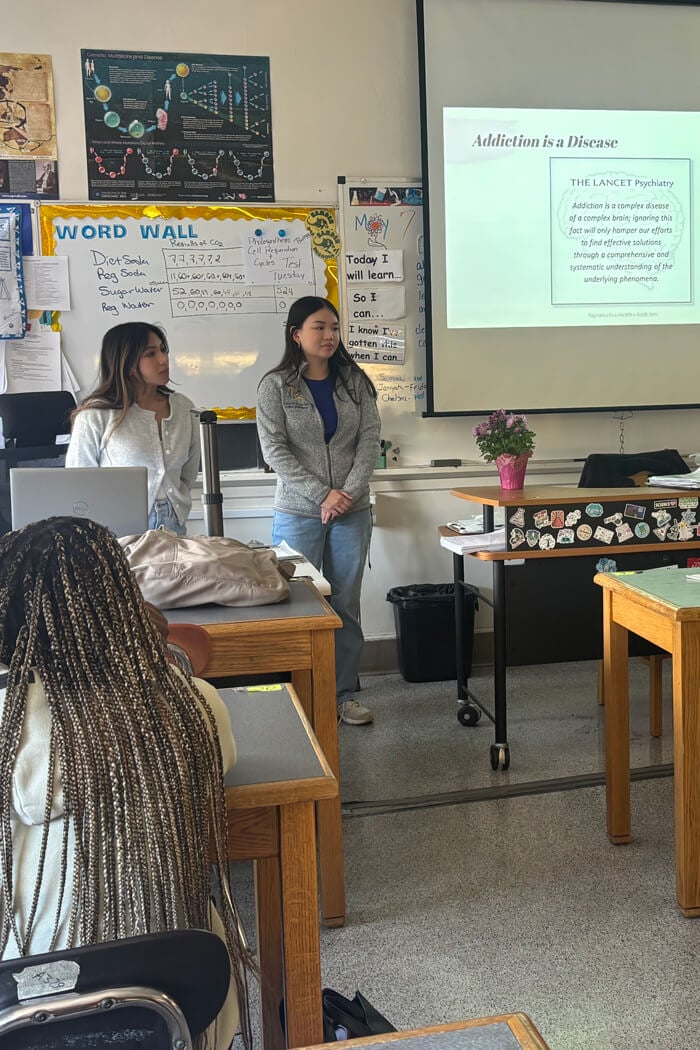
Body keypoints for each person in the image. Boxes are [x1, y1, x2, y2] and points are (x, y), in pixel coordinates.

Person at [0, 516, 253, 1050]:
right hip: (173, 1000)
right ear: (126, 601)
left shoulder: (9, 727)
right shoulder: (193, 706)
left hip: (22, 1000)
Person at [256, 296, 381, 726]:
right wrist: (321, 494)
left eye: (334, 327)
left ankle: (343, 694)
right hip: (298, 512)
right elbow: (274, 450)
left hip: (352, 509)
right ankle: (297, 695)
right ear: (296, 334)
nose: (330, 336)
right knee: (295, 602)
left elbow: (369, 442)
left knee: (345, 603)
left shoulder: (355, 382)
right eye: (319, 327)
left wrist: (344, 492)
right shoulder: (275, 386)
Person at [66, 322, 199, 534]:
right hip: (118, 528)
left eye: (163, 350)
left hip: (174, 523)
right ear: (126, 362)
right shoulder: (95, 415)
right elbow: (78, 483)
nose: (163, 360)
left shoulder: (184, 407)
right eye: (150, 354)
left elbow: (188, 473)